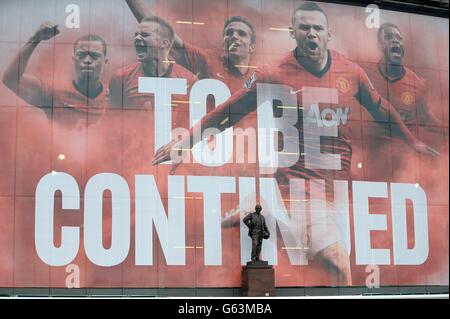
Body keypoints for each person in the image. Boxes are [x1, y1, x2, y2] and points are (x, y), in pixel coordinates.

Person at [152, 1, 440, 285]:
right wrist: (188, 140)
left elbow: (381, 108)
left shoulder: (350, 72)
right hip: (302, 183)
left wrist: (412, 142)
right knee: (339, 266)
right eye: (304, 28)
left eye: (317, 28)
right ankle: (266, 208)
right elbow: (229, 110)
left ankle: (262, 209)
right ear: (293, 32)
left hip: (336, 185)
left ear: (329, 34)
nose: (311, 34)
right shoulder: (272, 72)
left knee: (325, 266)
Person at [2, 22, 109, 129]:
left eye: (95, 56)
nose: (87, 60)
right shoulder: (53, 92)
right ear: (73, 59)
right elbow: (10, 80)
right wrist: (35, 39)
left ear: (105, 61)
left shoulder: (113, 96)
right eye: (81, 55)